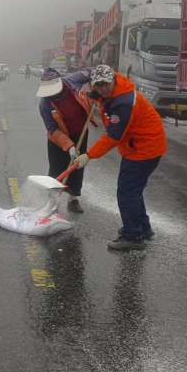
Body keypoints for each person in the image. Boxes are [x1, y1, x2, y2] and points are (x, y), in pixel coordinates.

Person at [73, 64, 166, 251]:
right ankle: (143, 229)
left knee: (127, 192)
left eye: (106, 84)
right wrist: (97, 98)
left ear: (113, 80)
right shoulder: (114, 91)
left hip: (143, 149)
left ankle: (133, 236)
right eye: (98, 85)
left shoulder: (123, 102)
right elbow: (103, 98)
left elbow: (114, 137)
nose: (103, 89)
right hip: (141, 146)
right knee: (133, 190)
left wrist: (89, 155)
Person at [37, 68, 94, 212]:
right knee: (56, 169)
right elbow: (52, 129)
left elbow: (91, 72)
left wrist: (94, 91)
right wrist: (69, 146)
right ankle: (52, 202)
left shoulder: (72, 81)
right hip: (58, 139)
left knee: (77, 166)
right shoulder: (45, 104)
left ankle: (73, 199)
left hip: (80, 133)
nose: (51, 94)